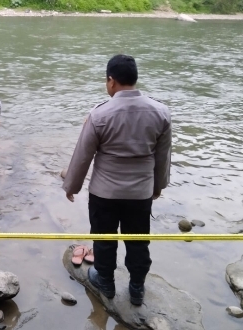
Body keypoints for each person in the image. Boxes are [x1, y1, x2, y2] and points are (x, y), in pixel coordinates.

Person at [63, 54, 171, 306]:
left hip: (105, 193)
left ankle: (106, 284)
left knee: (103, 238)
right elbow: (163, 157)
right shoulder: (161, 112)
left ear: (111, 81)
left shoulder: (99, 114)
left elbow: (83, 156)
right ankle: (136, 290)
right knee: (138, 241)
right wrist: (157, 187)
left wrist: (71, 186)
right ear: (134, 79)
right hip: (140, 194)